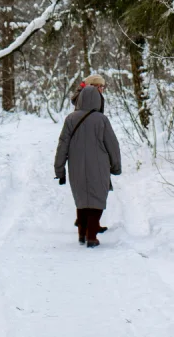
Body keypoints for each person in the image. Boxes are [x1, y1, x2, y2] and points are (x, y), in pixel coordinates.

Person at [55, 85, 122, 248]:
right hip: (99, 165)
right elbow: (112, 145)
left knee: (82, 199)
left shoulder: (70, 119)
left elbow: (62, 144)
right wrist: (116, 166)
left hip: (76, 165)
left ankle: (82, 234)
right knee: (97, 199)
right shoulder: (101, 120)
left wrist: (59, 168)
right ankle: (92, 237)